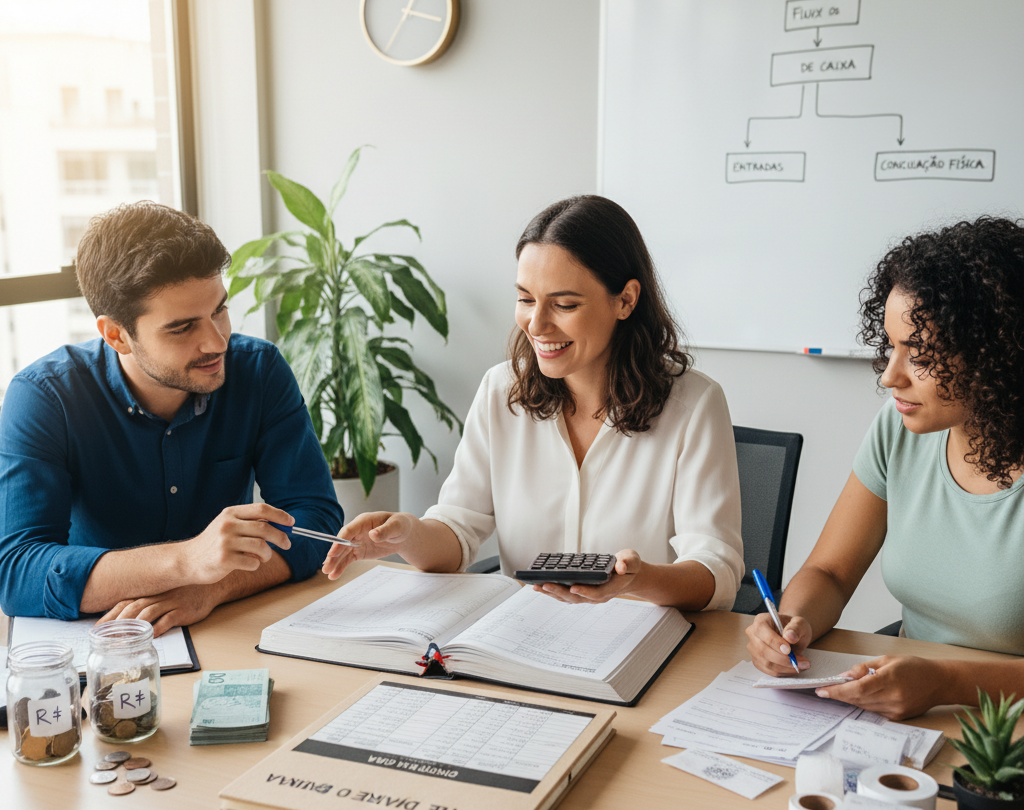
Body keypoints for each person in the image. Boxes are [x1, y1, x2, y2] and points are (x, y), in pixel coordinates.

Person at [0, 201, 342, 810]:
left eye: (219, 310)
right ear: (115, 333)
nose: (216, 340)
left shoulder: (257, 372)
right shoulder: (45, 396)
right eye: (182, 327)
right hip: (99, 662)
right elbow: (16, 566)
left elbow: (317, 523)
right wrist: (185, 559)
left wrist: (211, 587)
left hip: (221, 652)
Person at [323, 194, 744, 613]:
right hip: (522, 639)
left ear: (626, 300)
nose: (536, 325)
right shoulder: (500, 390)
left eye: (564, 304)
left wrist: (641, 580)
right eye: (526, 299)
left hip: (643, 646)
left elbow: (717, 572)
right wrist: (406, 535)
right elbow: (457, 531)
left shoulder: (695, 405)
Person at [746, 216, 1024, 720]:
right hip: (913, 703)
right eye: (890, 346)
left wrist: (946, 682)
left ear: (996, 353)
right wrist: (792, 622)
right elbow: (830, 572)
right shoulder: (899, 428)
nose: (890, 377)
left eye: (917, 353)